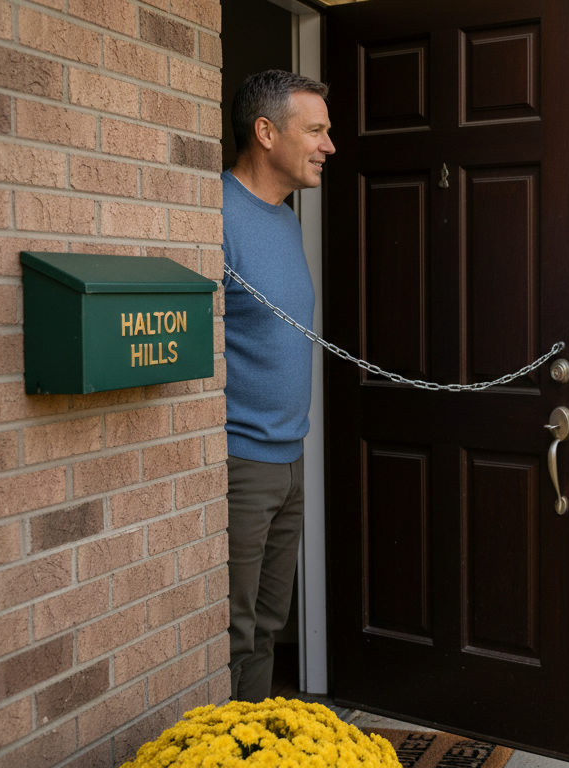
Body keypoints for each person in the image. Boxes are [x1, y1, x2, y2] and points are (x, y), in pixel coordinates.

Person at [221, 69, 335, 703]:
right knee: (234, 633)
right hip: (243, 463)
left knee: (269, 626)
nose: (329, 145)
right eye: (315, 130)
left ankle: (257, 738)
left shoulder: (287, 220)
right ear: (266, 133)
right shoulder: (215, 215)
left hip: (290, 458)